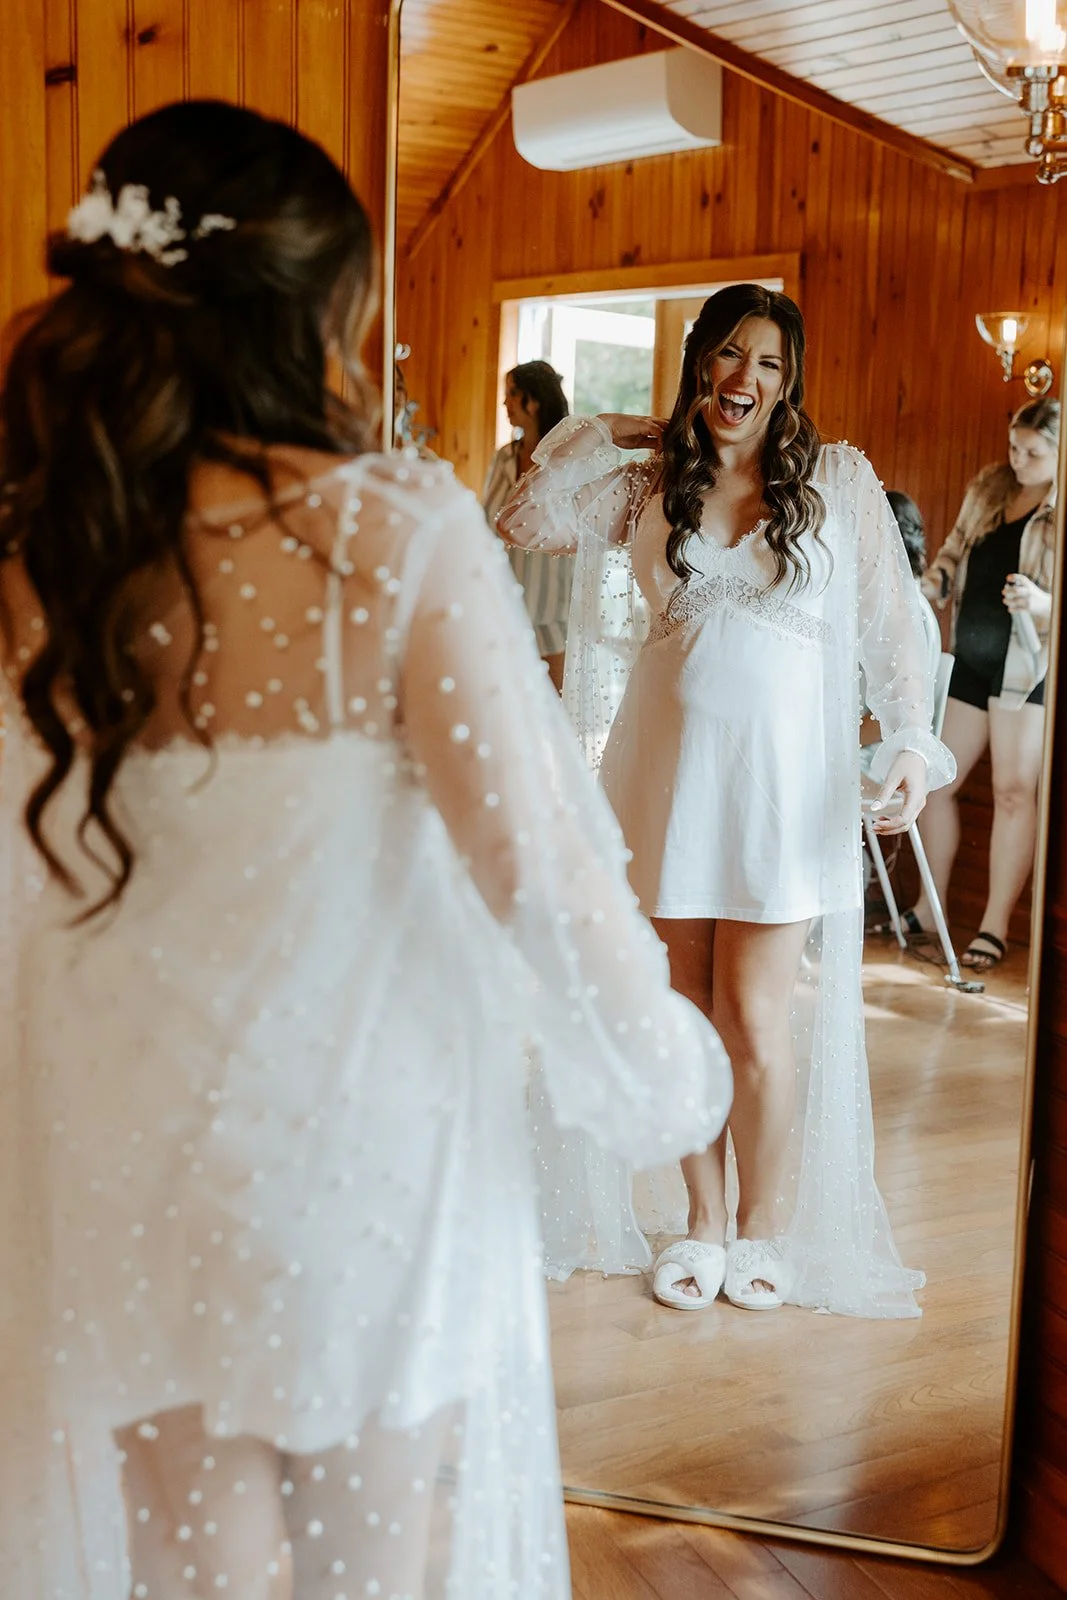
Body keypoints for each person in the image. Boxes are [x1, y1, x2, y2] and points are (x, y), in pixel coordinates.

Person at [0, 101, 732, 1598]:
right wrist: (662, 1068)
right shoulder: (387, 533)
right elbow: (530, 867)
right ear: (308, 310)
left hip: (116, 1142)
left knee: (186, 1576)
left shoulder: (47, 547)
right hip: (351, 1158)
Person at [499, 284, 955, 1319]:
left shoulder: (835, 482)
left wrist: (910, 750)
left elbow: (897, 634)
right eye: (726, 356)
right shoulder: (645, 485)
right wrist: (600, 428)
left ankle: (764, 1228)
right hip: (660, 781)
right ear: (699, 361)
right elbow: (518, 516)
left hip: (781, 790)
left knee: (752, 1017)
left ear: (787, 383)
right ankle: (701, 1223)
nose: (743, 379)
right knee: (681, 1017)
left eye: (767, 364)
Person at [897, 399, 1058, 973]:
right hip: (968, 656)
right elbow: (951, 555)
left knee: (1016, 792)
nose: (1018, 459)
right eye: (1014, 447)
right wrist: (925, 590)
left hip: (1027, 672)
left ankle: (992, 928)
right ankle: (928, 905)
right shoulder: (990, 487)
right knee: (938, 784)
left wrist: (1043, 603)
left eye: (1034, 452)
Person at [483, 360, 576, 691]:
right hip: (507, 598)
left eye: (511, 394)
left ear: (533, 401)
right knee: (511, 698)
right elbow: (487, 519)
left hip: (554, 601)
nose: (505, 403)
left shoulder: (568, 459)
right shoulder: (504, 458)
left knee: (555, 703)